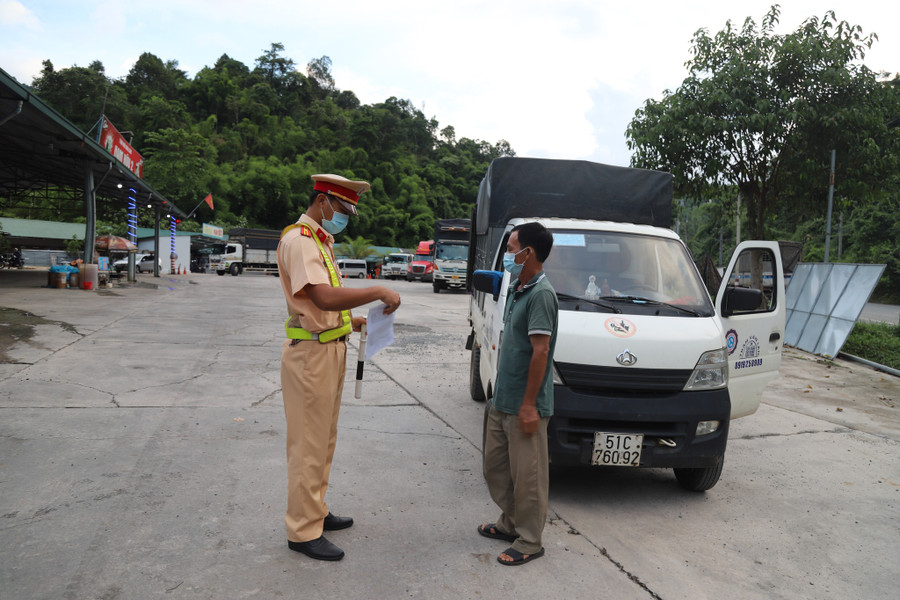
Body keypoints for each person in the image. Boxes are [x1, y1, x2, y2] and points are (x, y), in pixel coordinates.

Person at [277, 173, 401, 562]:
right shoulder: (301, 241)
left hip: (328, 349)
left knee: (323, 440)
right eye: (342, 208)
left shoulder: (320, 242)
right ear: (323, 201)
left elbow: (324, 305)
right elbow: (323, 297)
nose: (344, 217)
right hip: (311, 356)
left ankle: (316, 509)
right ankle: (302, 530)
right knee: (308, 445)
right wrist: (378, 290)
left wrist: (353, 322)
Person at [478, 221, 559, 566]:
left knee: (528, 479)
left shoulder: (542, 295)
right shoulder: (517, 287)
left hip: (526, 405)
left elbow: (541, 351)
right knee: (496, 468)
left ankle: (529, 541)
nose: (507, 255)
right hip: (503, 398)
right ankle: (509, 523)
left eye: (511, 249)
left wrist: (529, 405)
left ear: (529, 253)